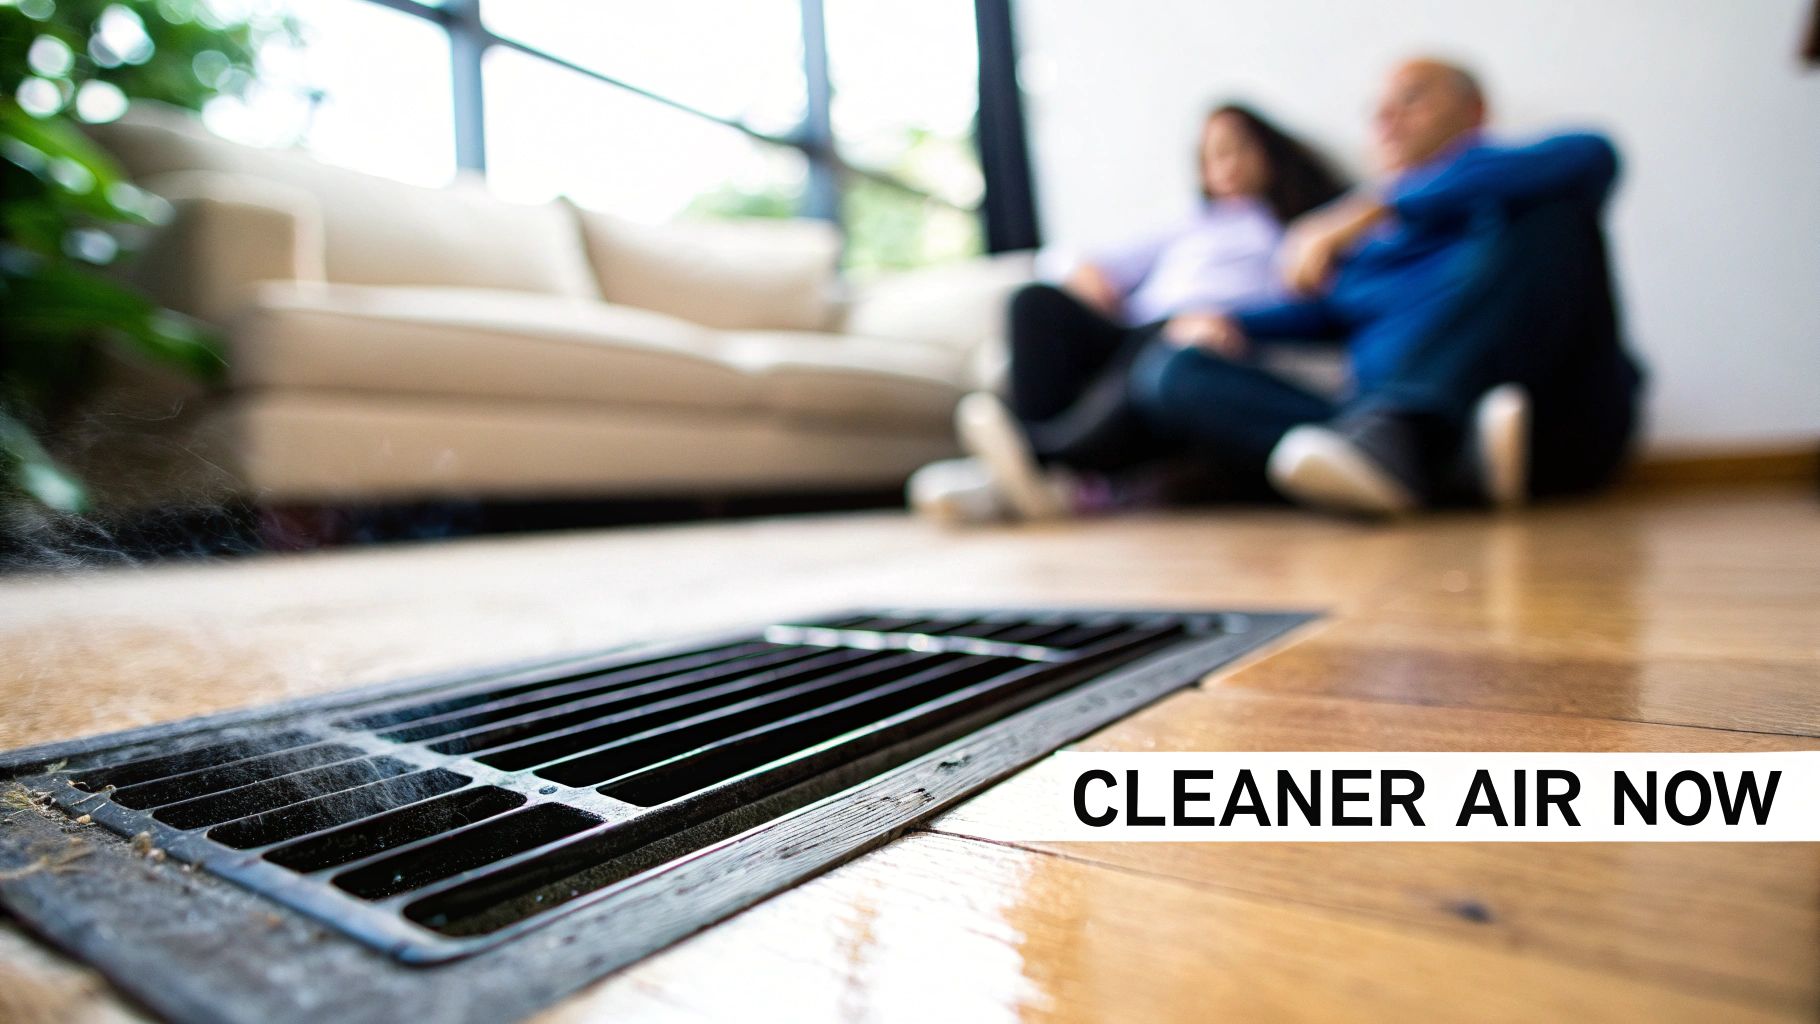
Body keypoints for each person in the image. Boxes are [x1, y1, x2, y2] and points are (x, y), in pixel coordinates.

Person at [1117, 58, 1645, 516]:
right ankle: (1416, 457)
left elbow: (1596, 153)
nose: (1386, 119)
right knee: (1172, 370)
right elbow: (1318, 313)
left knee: (1557, 217)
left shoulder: (1512, 195)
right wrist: (1225, 321)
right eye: (1376, 111)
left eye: (1411, 99)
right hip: (1387, 431)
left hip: (1543, 425)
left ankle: (1414, 438)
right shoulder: (1368, 254)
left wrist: (1380, 202)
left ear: (1474, 110)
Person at [908, 104, 1345, 521]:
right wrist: (1087, 274)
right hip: (1137, 329)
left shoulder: (1297, 230)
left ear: (1269, 151)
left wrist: (1228, 320)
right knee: (1033, 301)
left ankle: (1033, 461)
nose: (1225, 165)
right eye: (1211, 156)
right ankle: (1037, 462)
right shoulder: (1193, 223)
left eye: (1236, 149)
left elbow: (1310, 306)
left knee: (1168, 342)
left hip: (1202, 341)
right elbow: (1070, 259)